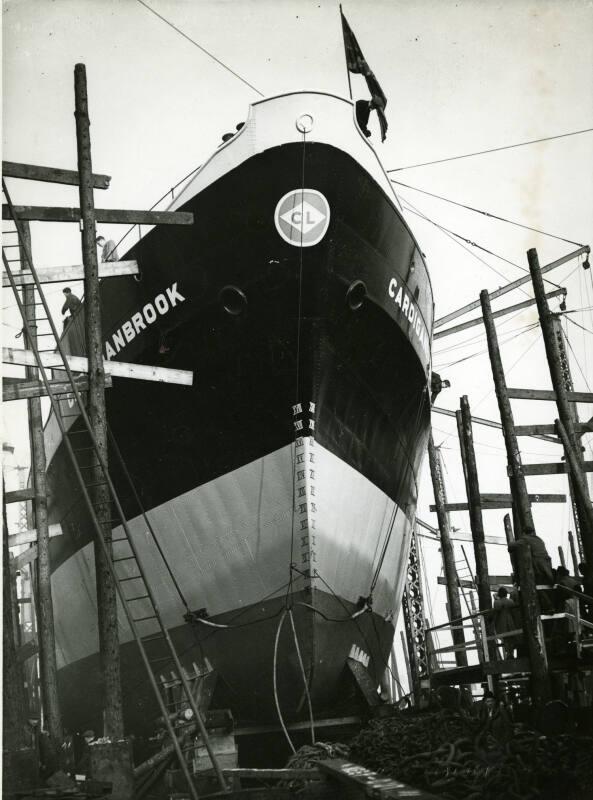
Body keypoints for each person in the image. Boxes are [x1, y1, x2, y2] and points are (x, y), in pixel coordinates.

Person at [493, 587, 518, 659]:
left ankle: (508, 654)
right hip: (510, 622)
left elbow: (496, 611)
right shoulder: (510, 601)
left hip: (501, 623)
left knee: (506, 639)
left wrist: (495, 598)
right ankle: (511, 653)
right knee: (511, 638)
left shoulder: (496, 602)